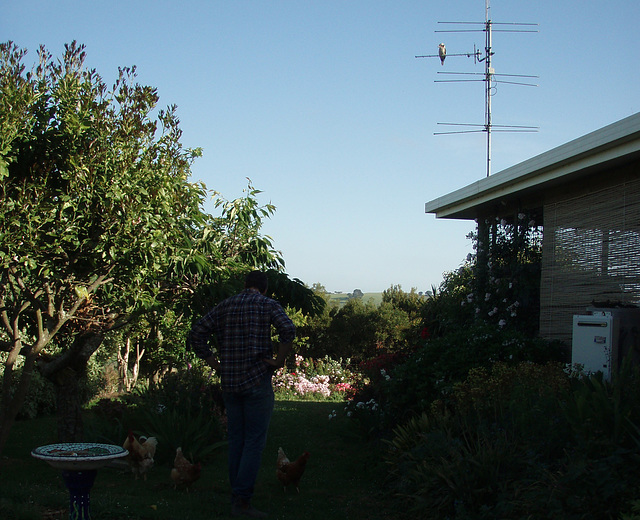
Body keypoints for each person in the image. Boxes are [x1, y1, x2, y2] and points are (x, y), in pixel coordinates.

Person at [188, 270, 295, 518]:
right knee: (254, 442)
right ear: (265, 288)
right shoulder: (268, 304)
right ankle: (242, 501)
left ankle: (236, 495)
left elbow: (197, 333)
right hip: (257, 380)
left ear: (245, 284)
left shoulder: (225, 305)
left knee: (236, 440)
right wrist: (279, 360)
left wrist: (215, 364)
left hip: (230, 384)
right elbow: (288, 330)